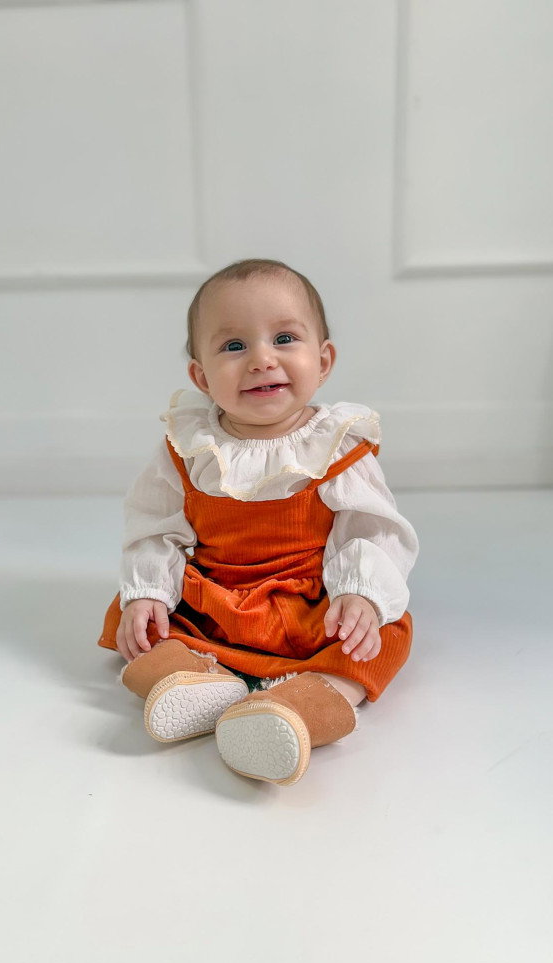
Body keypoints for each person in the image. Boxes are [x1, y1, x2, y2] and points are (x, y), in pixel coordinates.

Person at [98, 258, 419, 786]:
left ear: (323, 360)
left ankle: (310, 704)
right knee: (135, 619)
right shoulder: (189, 447)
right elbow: (155, 526)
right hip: (214, 597)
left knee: (381, 632)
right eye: (234, 346)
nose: (262, 360)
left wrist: (360, 593)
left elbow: (371, 530)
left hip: (311, 604)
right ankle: (192, 681)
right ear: (201, 377)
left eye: (284, 338)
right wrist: (148, 593)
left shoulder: (335, 448)